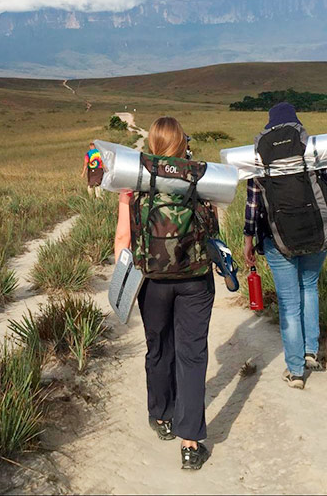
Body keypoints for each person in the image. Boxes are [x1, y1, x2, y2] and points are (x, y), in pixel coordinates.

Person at [113, 117, 215, 470]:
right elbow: (213, 230)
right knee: (193, 354)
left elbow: (123, 241)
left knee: (159, 347)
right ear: (183, 143)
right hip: (195, 280)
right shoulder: (200, 177)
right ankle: (190, 443)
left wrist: (123, 282)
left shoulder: (135, 182)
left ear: (153, 145)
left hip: (151, 281)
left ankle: (161, 415)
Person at [241, 103, 327, 390]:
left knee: (288, 302)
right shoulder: (313, 151)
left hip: (277, 241)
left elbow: (253, 206)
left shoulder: (259, 158)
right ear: (297, 125)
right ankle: (311, 353)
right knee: (309, 287)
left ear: (269, 127)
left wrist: (248, 241)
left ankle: (295, 371)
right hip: (317, 236)